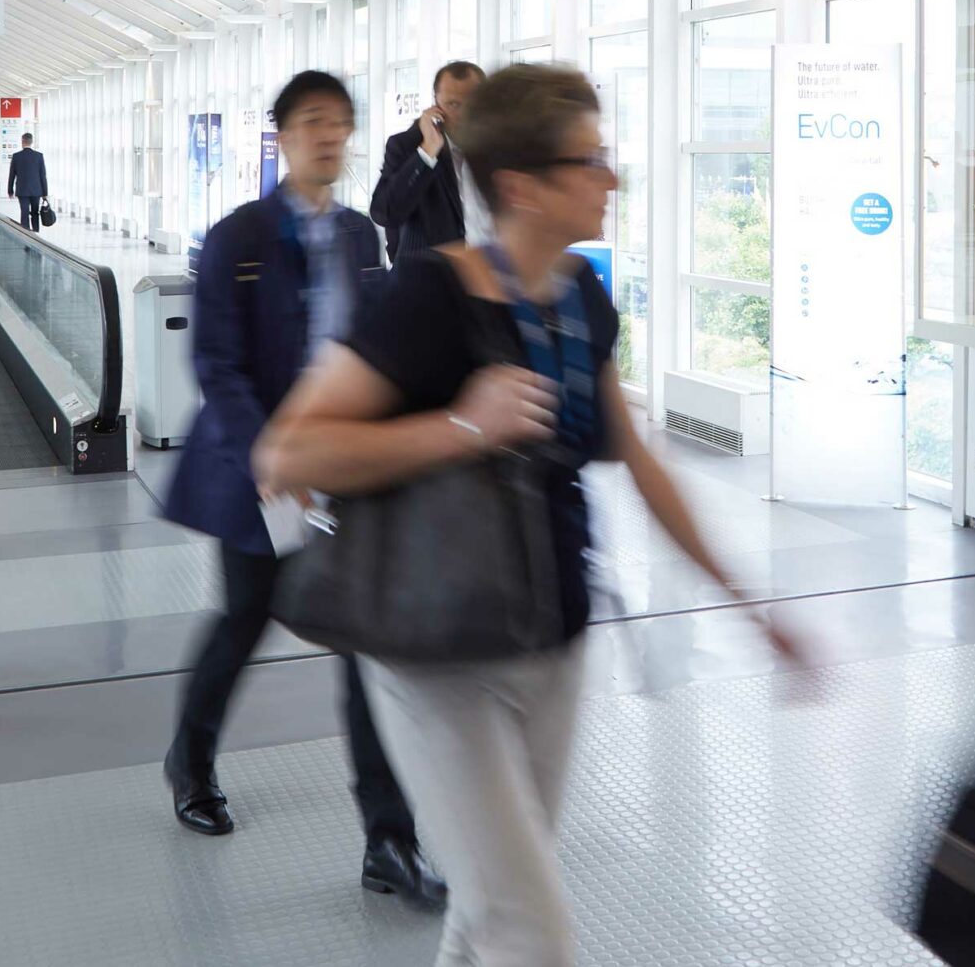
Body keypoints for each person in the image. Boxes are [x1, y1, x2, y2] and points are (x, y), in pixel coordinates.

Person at [261, 65, 800, 966]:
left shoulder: (581, 298)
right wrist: (462, 424)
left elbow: (638, 459)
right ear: (522, 185)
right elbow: (288, 453)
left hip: (552, 636)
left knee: (490, 910)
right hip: (437, 650)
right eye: (588, 161)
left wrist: (748, 603)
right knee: (530, 930)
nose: (611, 178)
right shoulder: (432, 296)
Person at [158, 71, 444, 908]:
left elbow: (379, 346)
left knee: (363, 645)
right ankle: (191, 758)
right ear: (280, 133)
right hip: (262, 474)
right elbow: (217, 364)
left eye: (341, 124)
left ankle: (388, 839)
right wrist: (274, 457)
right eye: (314, 122)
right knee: (245, 621)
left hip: (344, 472)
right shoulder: (238, 237)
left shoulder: (360, 237)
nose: (329, 137)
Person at [369, 61, 485, 263]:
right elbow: (384, 213)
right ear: (436, 105)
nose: (464, 115)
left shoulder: (495, 147)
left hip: (487, 277)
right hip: (429, 279)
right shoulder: (407, 146)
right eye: (453, 105)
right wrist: (427, 152)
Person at [7, 131, 48, 230]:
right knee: (35, 212)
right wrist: (45, 192)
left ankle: (25, 234)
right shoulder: (39, 156)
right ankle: (36, 233)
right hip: (36, 190)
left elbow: (12, 175)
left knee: (24, 212)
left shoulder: (16, 156)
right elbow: (43, 175)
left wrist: (10, 190)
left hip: (22, 190)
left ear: (22, 141)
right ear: (31, 142)